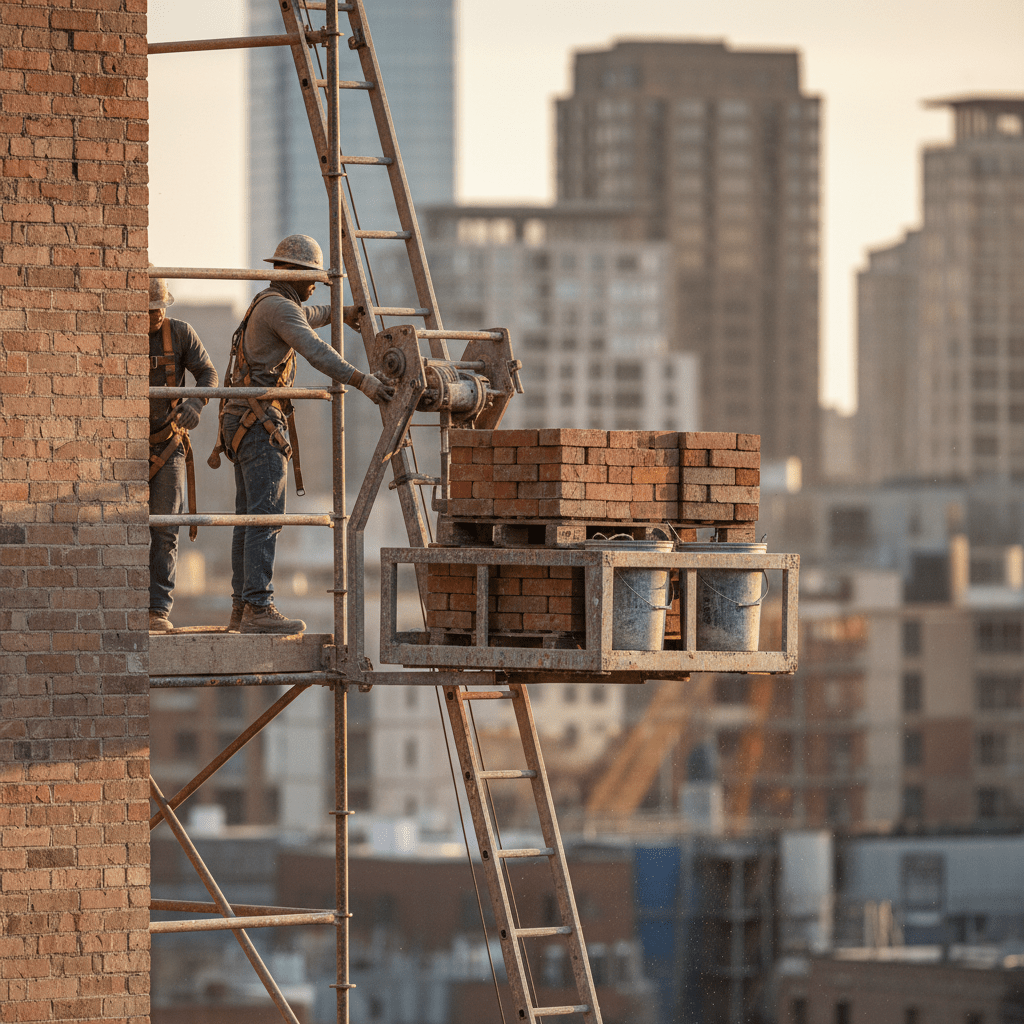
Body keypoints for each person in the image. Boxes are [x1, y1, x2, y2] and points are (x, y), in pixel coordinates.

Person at [217, 233, 394, 635]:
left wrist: (338, 314)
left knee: (249, 518)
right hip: (259, 424)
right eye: (312, 278)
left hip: (243, 421)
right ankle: (258, 607)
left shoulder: (269, 302)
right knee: (264, 517)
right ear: (294, 274)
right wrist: (362, 381)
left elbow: (308, 315)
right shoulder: (280, 308)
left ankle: (243, 609)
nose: (315, 285)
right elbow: (315, 350)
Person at [148, 274, 218, 632]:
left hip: (169, 445)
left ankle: (157, 610)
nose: (156, 314)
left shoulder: (179, 333)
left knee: (166, 530)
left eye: (160, 306)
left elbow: (208, 373)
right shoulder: (116, 332)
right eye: (148, 309)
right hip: (123, 450)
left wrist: (195, 403)